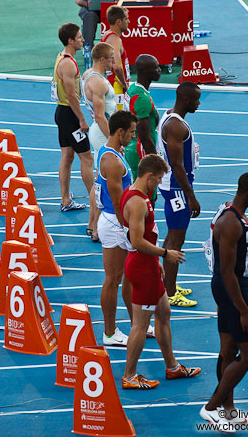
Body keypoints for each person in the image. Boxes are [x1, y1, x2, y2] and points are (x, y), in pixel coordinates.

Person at [120, 154, 201, 389]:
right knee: (140, 325)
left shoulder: (138, 196)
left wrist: (157, 263)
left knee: (164, 314)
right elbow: (136, 241)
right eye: (158, 179)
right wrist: (165, 254)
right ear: (149, 176)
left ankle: (173, 367)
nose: (158, 184)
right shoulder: (136, 202)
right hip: (142, 268)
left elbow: (145, 235)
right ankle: (130, 375)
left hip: (149, 266)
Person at [199, 173, 248, 432]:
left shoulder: (229, 210)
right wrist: (242, 311)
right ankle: (211, 407)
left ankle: (229, 411)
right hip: (233, 289)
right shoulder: (231, 223)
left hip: (228, 288)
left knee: (228, 350)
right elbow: (226, 271)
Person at [157, 81, 201, 307]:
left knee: (171, 236)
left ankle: (167, 283)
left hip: (174, 186)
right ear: (185, 99)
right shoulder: (175, 127)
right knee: (177, 239)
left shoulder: (169, 116)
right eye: (196, 99)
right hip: (176, 189)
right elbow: (176, 165)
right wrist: (190, 196)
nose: (199, 103)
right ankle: (170, 293)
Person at [95, 111, 137, 346]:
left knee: (129, 277)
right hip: (115, 223)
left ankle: (137, 324)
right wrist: (129, 229)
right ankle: (109, 333)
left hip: (114, 220)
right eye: (131, 132)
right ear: (120, 132)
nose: (133, 136)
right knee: (113, 279)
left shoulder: (111, 151)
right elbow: (117, 199)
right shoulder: (111, 162)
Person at [52, 23, 94, 212]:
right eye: (79, 37)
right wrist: (82, 120)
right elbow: (71, 96)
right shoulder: (68, 63)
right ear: (70, 40)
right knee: (86, 157)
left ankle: (65, 199)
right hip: (69, 114)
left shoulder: (61, 56)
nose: (82, 40)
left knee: (67, 156)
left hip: (62, 112)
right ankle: (95, 199)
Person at [81, 42, 116, 240]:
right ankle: (95, 228)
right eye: (110, 58)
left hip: (102, 132)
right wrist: (113, 139)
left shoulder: (89, 75)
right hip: (103, 133)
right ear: (102, 59)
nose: (113, 62)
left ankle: (92, 224)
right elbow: (101, 116)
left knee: (98, 182)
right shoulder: (98, 82)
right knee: (101, 183)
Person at [124, 54, 161, 197]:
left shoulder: (133, 88)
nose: (159, 70)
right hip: (141, 150)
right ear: (146, 72)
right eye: (156, 68)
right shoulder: (141, 99)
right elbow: (145, 137)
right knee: (146, 195)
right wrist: (157, 162)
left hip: (134, 148)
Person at [101, 5, 130, 110]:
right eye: (126, 19)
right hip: (117, 88)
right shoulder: (114, 39)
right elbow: (117, 66)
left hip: (112, 86)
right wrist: (124, 85)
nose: (129, 22)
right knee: (119, 122)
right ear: (118, 21)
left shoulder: (106, 35)